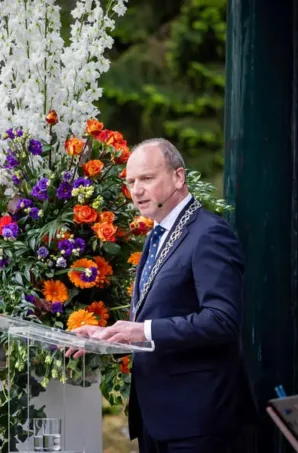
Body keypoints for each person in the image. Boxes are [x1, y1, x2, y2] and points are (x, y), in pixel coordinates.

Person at [71, 138, 256, 452]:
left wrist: (141, 330)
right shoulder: (158, 233)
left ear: (178, 177)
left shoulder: (209, 233)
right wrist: (108, 335)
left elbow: (222, 320)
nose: (136, 189)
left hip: (200, 423)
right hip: (157, 419)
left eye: (146, 178)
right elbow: (161, 314)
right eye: (131, 182)